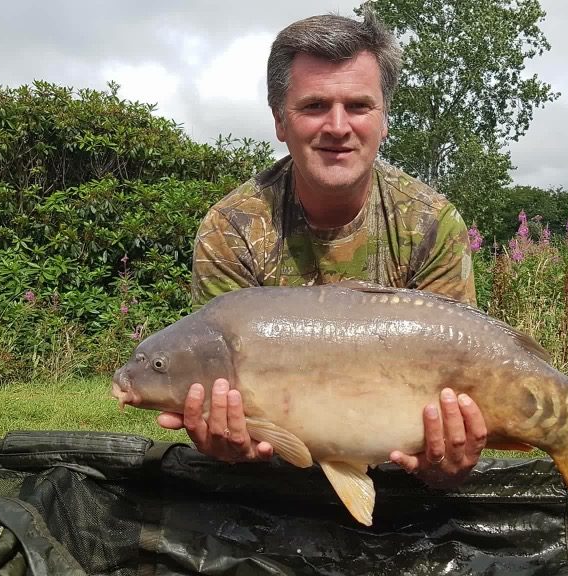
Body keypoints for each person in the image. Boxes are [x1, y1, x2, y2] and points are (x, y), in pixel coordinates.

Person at [157, 11, 487, 489]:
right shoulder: (232, 227)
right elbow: (224, 405)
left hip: (401, 476)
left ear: (384, 120)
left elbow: (459, 394)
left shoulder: (430, 222)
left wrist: (449, 458)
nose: (337, 126)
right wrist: (228, 445)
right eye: (313, 106)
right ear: (279, 121)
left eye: (358, 106)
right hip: (274, 487)